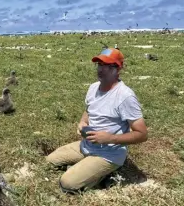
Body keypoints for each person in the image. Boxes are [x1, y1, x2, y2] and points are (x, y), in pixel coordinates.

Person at [46, 47, 148, 194]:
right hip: (88, 145)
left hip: (109, 154)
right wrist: (83, 123)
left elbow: (142, 134)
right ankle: (87, 169)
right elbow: (89, 110)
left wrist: (110, 138)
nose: (101, 69)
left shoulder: (125, 96)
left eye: (107, 66)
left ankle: (109, 174)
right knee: (50, 161)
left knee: (67, 184)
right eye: (99, 64)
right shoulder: (93, 88)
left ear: (118, 69)